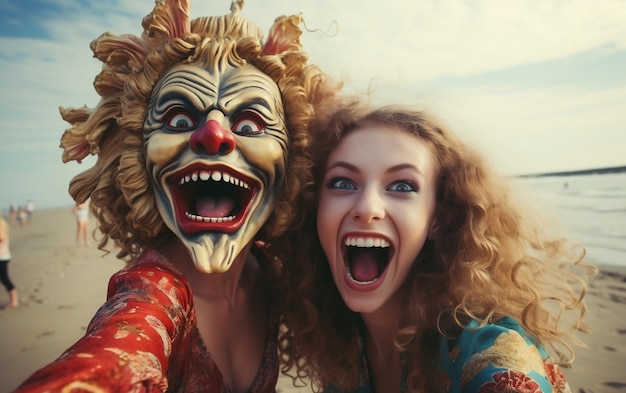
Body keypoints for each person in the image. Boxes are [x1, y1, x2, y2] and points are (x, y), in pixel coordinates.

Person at [13, 0, 340, 392]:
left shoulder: (273, 272)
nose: (213, 136)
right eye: (179, 120)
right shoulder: (150, 295)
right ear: (135, 150)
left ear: (294, 159)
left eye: (251, 123)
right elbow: (110, 360)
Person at [275, 105, 597, 392]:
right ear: (313, 207)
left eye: (402, 186)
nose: (367, 207)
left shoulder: (489, 352)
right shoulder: (344, 348)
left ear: (439, 218)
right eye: (343, 182)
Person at [0, 215, 18, 309]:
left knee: (5, 279)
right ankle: (14, 300)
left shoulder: (1, 225)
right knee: (4, 279)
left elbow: (1, 238)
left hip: (2, 256)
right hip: (3, 256)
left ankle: (14, 301)